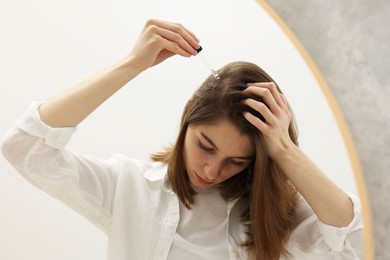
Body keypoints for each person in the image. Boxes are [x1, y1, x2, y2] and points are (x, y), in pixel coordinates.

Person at [1, 19, 363, 260]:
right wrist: (131, 64)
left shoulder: (275, 214)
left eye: (237, 161)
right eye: (206, 145)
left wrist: (283, 148)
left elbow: (359, 244)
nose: (212, 169)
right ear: (188, 113)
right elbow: (25, 148)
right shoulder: (131, 188)